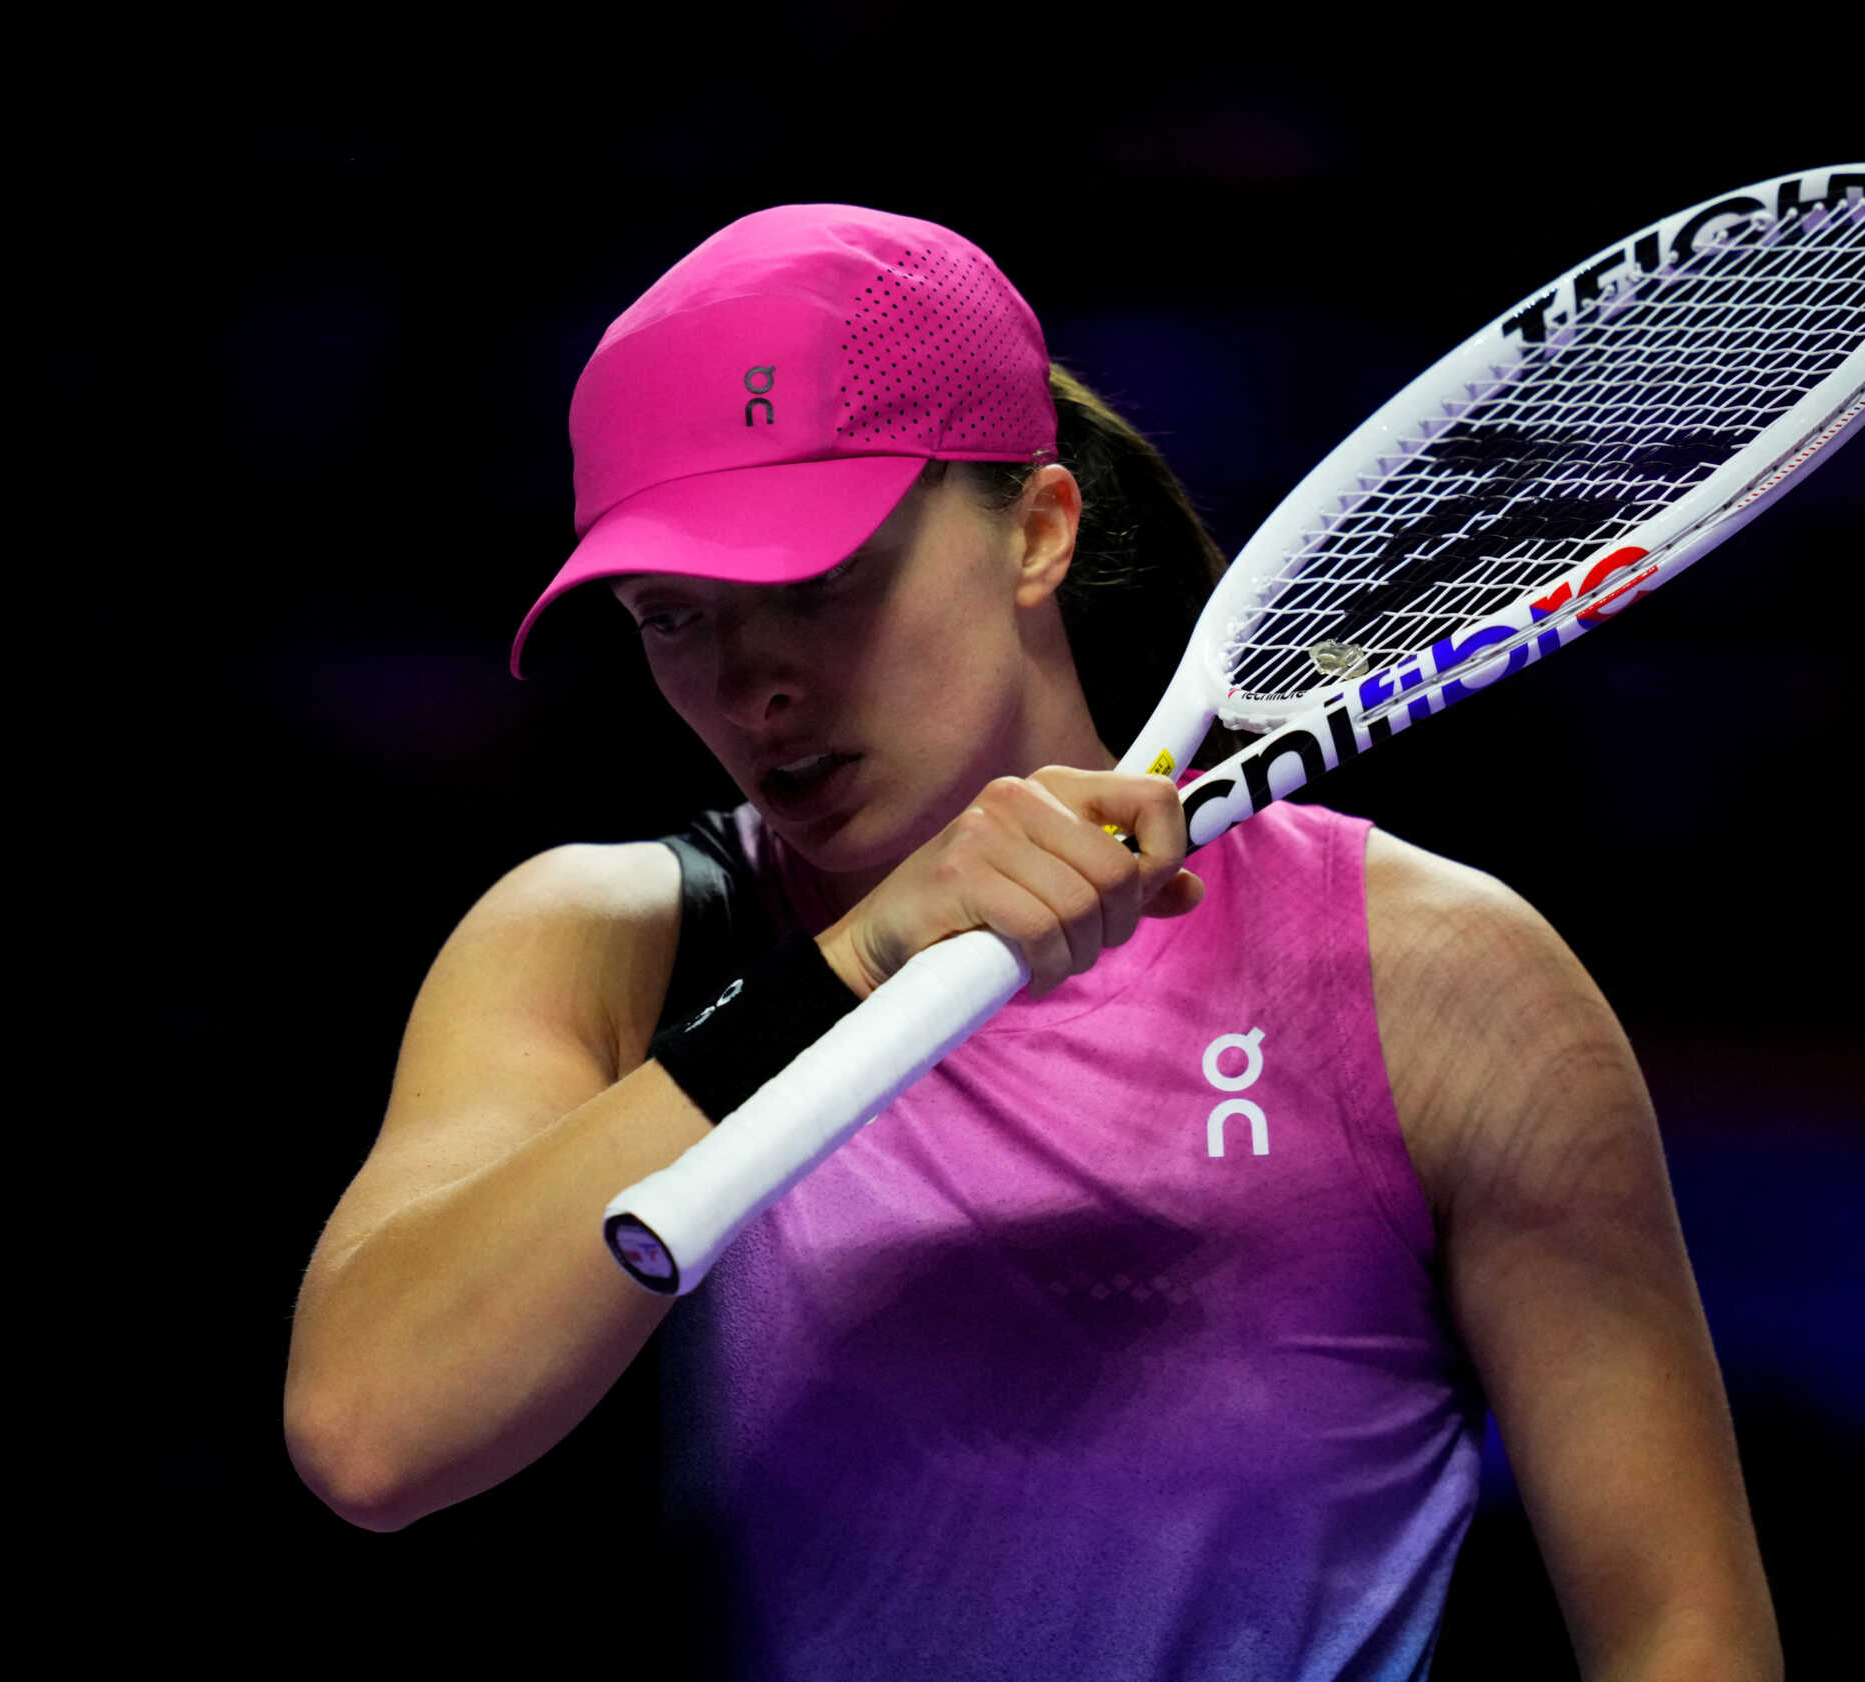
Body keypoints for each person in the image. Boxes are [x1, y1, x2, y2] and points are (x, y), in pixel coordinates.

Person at [283, 204, 1783, 1679]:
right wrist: (856, 962)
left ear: (1040, 532)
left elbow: (1685, 1632)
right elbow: (374, 1431)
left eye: (815, 581)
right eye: (674, 616)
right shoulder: (601, 947)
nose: (753, 684)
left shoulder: (1436, 977)